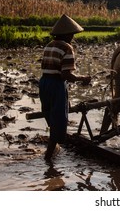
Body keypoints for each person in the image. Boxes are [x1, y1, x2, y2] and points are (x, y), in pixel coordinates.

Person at [39, 14, 91, 161]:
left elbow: (52, 69)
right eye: (72, 34)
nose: (73, 37)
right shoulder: (67, 47)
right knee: (59, 121)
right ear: (67, 34)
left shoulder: (49, 45)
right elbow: (65, 75)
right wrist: (83, 79)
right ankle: (49, 158)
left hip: (44, 83)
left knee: (51, 116)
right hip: (56, 85)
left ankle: (51, 152)